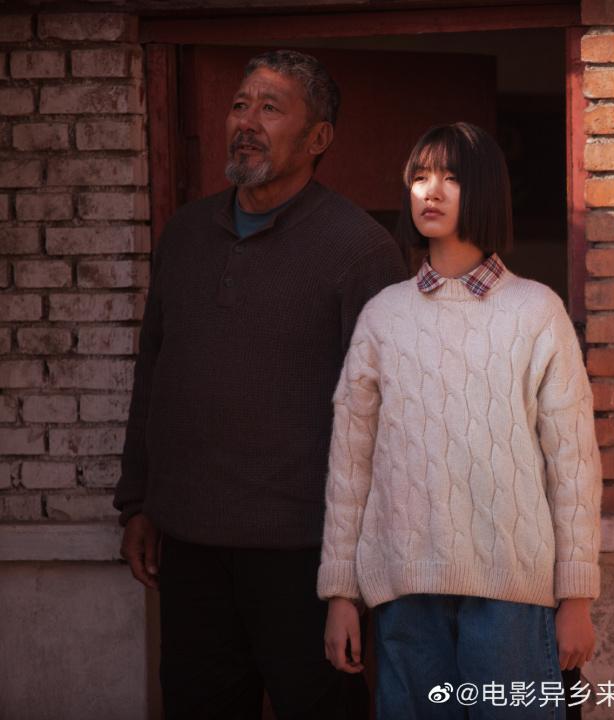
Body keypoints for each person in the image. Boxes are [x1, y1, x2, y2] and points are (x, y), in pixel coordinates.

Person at [113, 49, 407, 719]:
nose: (246, 122)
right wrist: (139, 502)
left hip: (305, 554)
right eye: (240, 105)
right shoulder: (186, 234)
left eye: (270, 109)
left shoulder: (359, 250)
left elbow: (384, 416)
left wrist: (356, 570)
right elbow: (152, 372)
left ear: (318, 137)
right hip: (190, 545)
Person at [317, 122, 601, 719]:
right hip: (403, 590)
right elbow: (350, 464)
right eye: (420, 177)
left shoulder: (536, 312)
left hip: (512, 595)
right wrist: (341, 592)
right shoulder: (383, 316)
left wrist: (576, 597)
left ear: (485, 191)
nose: (431, 191)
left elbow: (573, 464)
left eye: (450, 177)